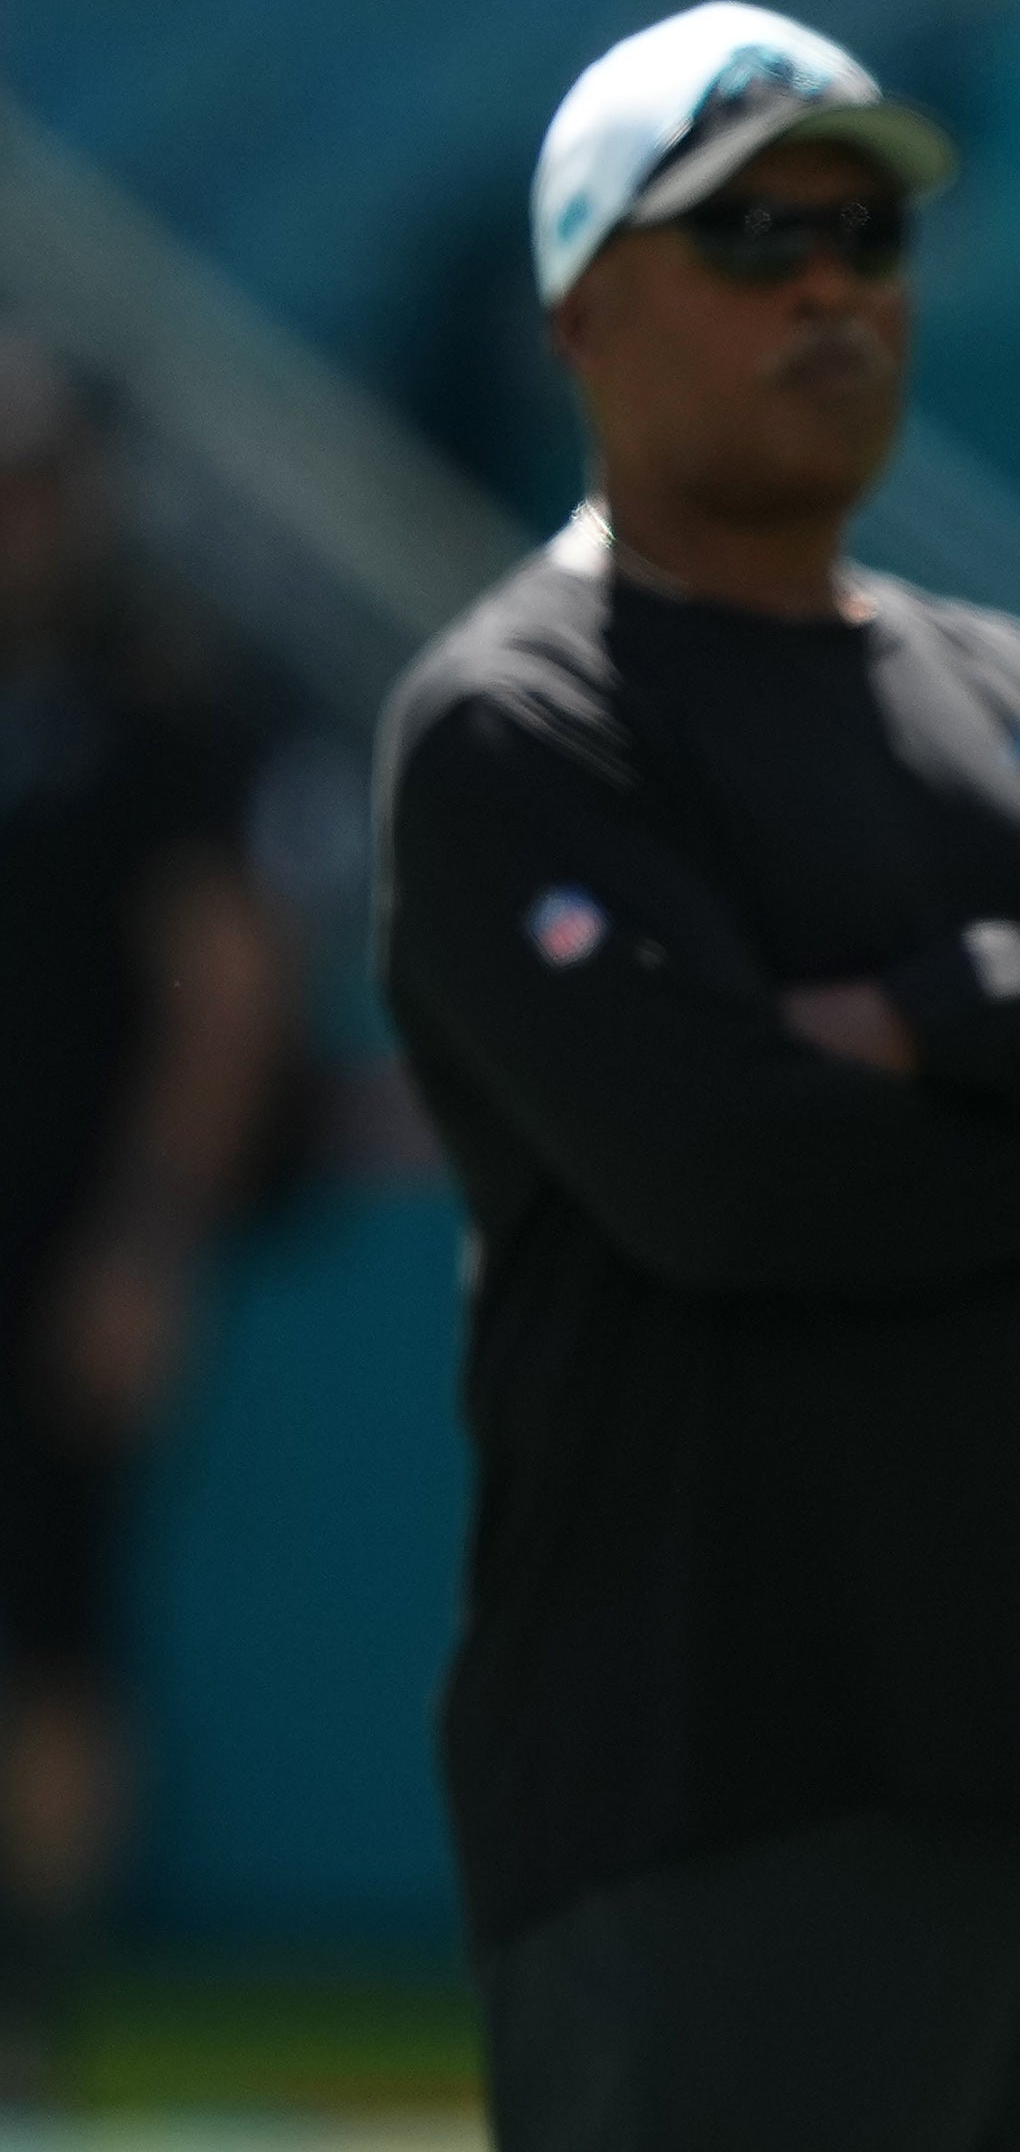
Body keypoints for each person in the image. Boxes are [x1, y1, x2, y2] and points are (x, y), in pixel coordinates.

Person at [375, 1, 1020, 2152]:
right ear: (581, 305)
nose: (832, 281)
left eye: (865, 231)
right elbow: (740, 1181)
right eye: (753, 233)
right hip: (718, 1786)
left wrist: (972, 1008)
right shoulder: (517, 718)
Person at [0, 347, 298, 2102]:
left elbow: (228, 989)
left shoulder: (154, 704)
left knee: (53, 1626)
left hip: (57, 1241)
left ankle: (28, 2013)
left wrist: (149, 1238)